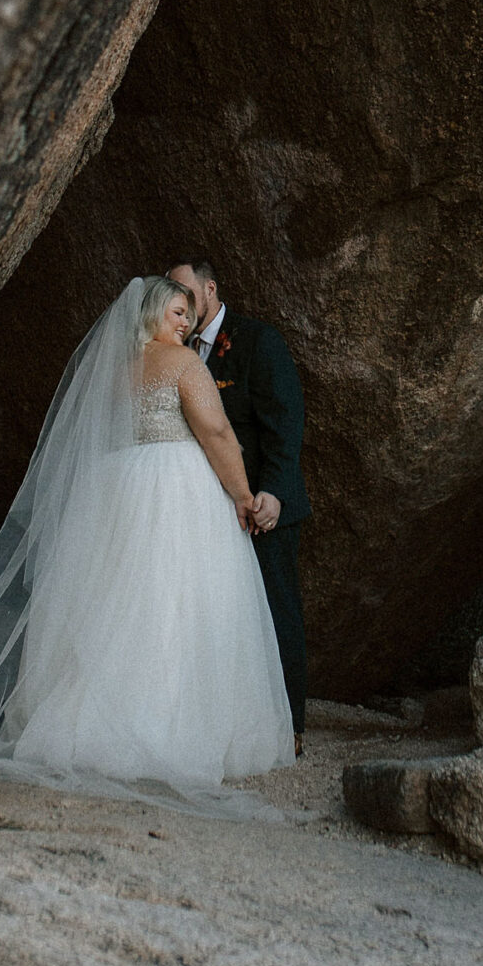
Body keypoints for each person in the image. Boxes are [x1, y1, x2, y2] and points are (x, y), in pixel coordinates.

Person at [0, 277, 294, 802]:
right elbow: (218, 434)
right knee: (175, 602)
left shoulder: (115, 371)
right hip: (175, 488)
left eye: (188, 314)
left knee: (115, 605)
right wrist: (244, 495)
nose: (186, 323)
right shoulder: (183, 364)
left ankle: (91, 722)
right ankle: (172, 729)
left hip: (117, 488)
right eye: (177, 312)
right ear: (153, 313)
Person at [168, 259, 310, 754]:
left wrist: (273, 492)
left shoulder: (257, 342)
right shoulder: (172, 349)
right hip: (207, 513)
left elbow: (285, 421)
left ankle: (290, 726)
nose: (179, 301)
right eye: (171, 293)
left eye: (185, 290)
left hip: (261, 509)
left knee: (275, 612)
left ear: (210, 288)